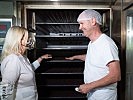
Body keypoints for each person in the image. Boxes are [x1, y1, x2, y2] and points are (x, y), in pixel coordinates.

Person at [66, 9, 121, 100]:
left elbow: (115, 75)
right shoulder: (93, 42)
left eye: (82, 23)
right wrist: (76, 57)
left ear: (93, 21)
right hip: (94, 92)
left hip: (103, 95)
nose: (80, 27)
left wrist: (89, 86)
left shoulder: (106, 43)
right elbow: (95, 58)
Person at [0, 26, 52, 100]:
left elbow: (28, 71)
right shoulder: (13, 59)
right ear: (19, 40)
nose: (29, 40)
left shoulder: (22, 57)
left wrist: (41, 58)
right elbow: (6, 87)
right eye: (27, 37)